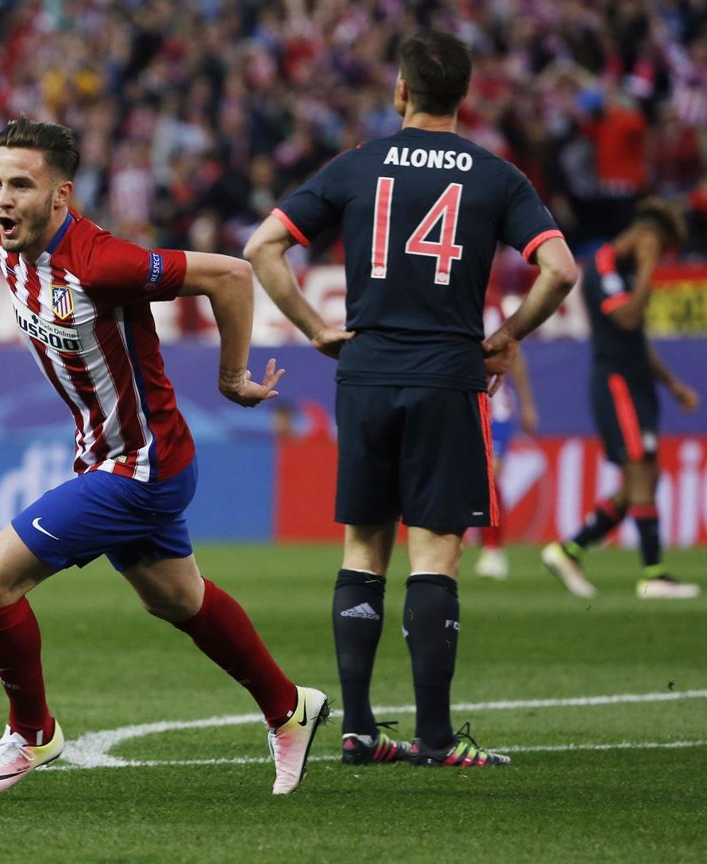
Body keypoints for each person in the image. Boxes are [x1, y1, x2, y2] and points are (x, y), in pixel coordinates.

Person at [0, 60, 329, 798]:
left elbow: (232, 276)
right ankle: (290, 708)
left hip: (140, 465)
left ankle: (32, 733)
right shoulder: (6, 239)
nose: (0, 199)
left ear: (61, 195)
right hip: (109, 455)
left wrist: (231, 377)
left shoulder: (100, 261)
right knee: (177, 600)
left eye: (19, 185)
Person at [244, 30, 578, 768]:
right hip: (445, 375)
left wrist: (315, 328)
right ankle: (434, 738)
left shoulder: (357, 165)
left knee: (364, 548)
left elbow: (262, 246)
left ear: (400, 92)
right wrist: (508, 333)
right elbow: (559, 268)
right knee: (435, 555)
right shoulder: (496, 176)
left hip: (364, 373)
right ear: (465, 97)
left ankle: (359, 730)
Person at [541, 200, 701, 600]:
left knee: (641, 481)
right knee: (642, 473)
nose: (659, 256)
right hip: (617, 385)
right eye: (660, 247)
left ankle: (568, 550)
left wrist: (671, 383)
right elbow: (627, 319)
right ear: (647, 236)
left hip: (634, 381)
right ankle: (653, 574)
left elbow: (636, 340)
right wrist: (650, 267)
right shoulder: (606, 264)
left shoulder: (625, 269)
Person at [473, 294, 539, 581]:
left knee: (490, 474)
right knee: (461, 476)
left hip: (495, 403)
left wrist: (526, 403)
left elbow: (516, 356)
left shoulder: (494, 307)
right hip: (458, 399)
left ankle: (493, 550)